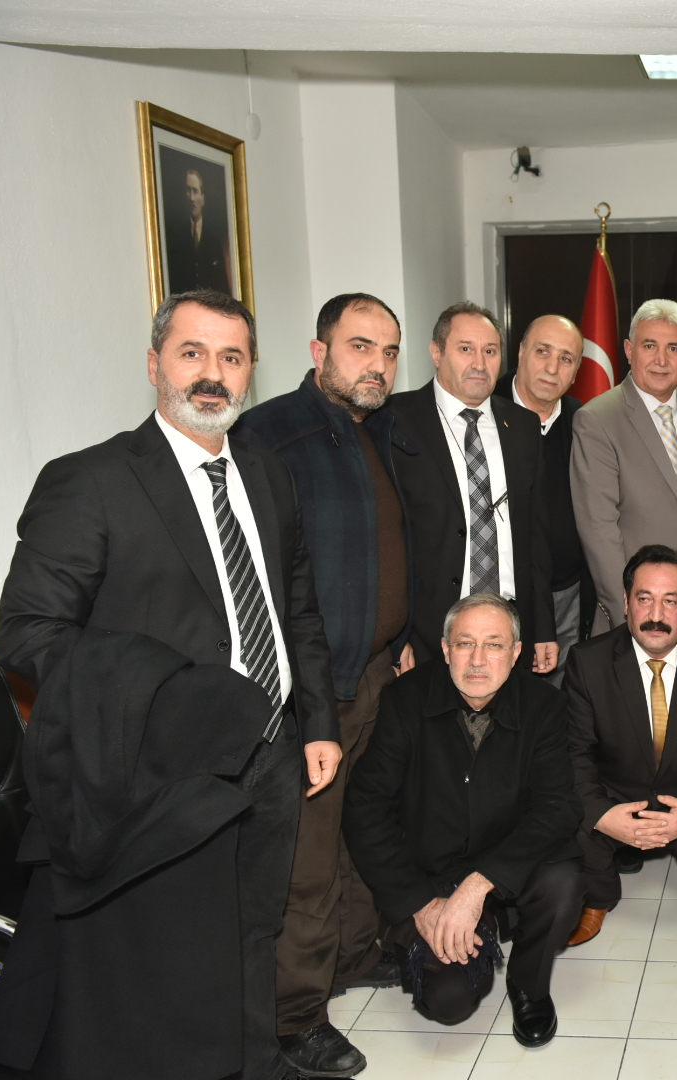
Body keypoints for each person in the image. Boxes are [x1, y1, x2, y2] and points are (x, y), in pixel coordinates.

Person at [0, 290, 341, 1080]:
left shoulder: (268, 472)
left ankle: (256, 1060)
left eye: (231, 357)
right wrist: (164, 695)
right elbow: (29, 631)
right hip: (163, 768)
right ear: (154, 365)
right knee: (183, 952)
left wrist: (317, 722)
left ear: (251, 370)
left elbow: (297, 608)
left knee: (257, 924)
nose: (213, 374)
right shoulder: (91, 480)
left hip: (273, 749)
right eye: (192, 353)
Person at [236, 292, 416, 1078]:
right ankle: (294, 1018)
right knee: (308, 856)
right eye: (360, 346)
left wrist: (400, 641)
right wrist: (307, 694)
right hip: (316, 688)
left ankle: (354, 954)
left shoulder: (376, 429)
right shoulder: (272, 434)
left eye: (388, 351)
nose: (377, 364)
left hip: (375, 671)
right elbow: (267, 582)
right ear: (319, 352)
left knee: (359, 827)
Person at [343, 594, 584, 1046]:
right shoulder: (404, 699)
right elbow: (365, 808)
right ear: (445, 648)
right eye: (465, 643)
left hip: (506, 866)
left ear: (515, 652)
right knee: (448, 1002)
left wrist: (479, 884)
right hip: (429, 875)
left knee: (563, 883)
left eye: (494, 645)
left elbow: (559, 807)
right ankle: (460, 935)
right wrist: (420, 903)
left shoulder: (544, 705)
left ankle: (527, 983)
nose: (477, 659)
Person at [563, 544, 677, 945]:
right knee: (570, 817)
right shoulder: (587, 662)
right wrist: (602, 815)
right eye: (644, 599)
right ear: (626, 603)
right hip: (615, 794)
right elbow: (574, 754)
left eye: (671, 601)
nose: (656, 616)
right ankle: (598, 897)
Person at [388, 301, 559, 675]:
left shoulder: (523, 426)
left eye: (490, 351)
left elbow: (536, 538)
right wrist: (397, 638)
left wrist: (544, 627)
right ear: (436, 352)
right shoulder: (394, 421)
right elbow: (387, 544)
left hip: (510, 628)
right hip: (428, 634)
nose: (480, 363)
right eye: (466, 349)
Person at [571, 299, 677, 634]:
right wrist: (630, 616)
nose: (661, 360)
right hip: (639, 616)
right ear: (629, 350)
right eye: (649, 346)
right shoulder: (597, 419)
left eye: (673, 348)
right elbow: (599, 532)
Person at [497, 313, 596, 681]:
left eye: (566, 358)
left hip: (568, 593)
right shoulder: (484, 411)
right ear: (521, 352)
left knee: (555, 700)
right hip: (501, 592)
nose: (552, 368)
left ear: (576, 371)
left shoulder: (584, 421)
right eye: (543, 351)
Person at [165, 167, 231, 294]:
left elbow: (223, 289)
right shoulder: (175, 238)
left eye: (195, 191)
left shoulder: (214, 241)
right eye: (188, 190)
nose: (191, 198)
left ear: (203, 198)